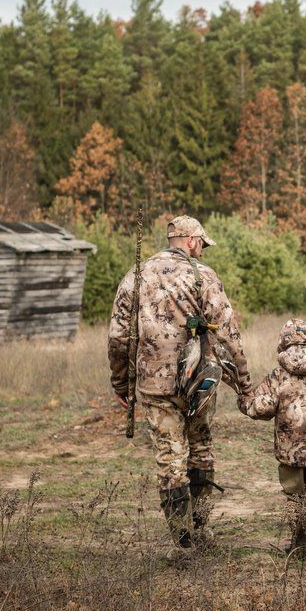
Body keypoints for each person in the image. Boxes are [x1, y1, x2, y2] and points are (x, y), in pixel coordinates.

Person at [109, 216, 250, 555]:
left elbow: (118, 337)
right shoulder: (204, 276)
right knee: (200, 447)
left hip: (153, 384)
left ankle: (182, 540)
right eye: (202, 244)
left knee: (170, 456)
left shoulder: (135, 275)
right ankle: (200, 527)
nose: (202, 250)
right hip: (199, 382)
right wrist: (243, 384)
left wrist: (121, 383)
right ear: (190, 241)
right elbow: (228, 334)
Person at [239, 318, 306, 568]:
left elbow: (261, 409)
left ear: (283, 342)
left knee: (295, 497)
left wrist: (244, 401)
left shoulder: (277, 377)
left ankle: (299, 546)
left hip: (290, 452)